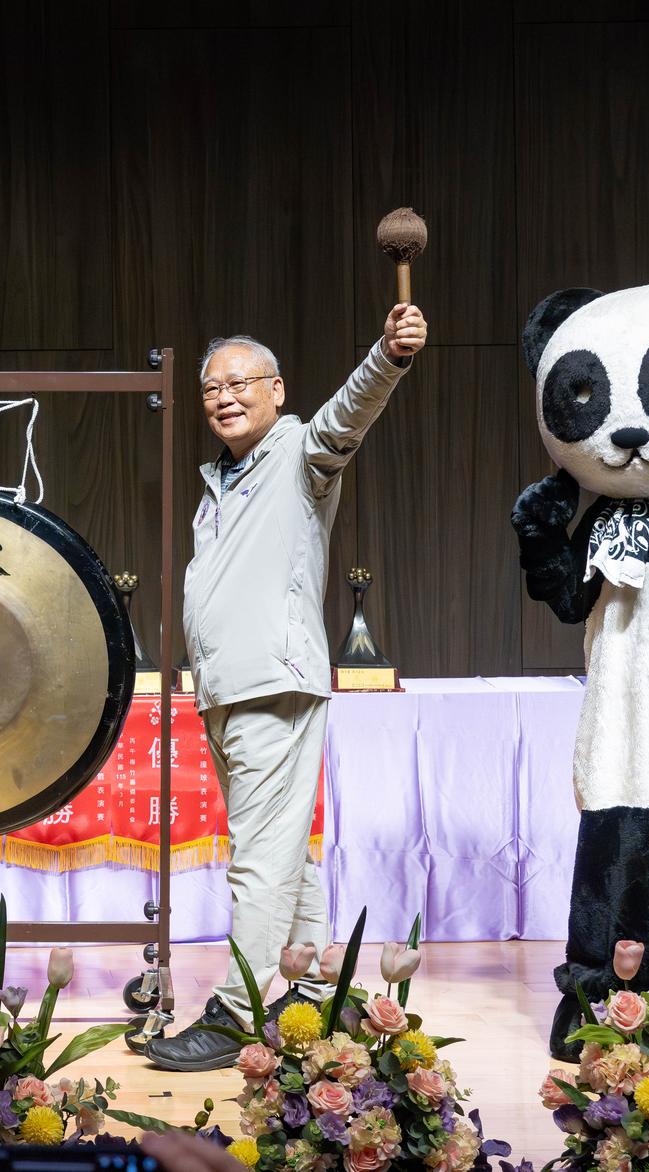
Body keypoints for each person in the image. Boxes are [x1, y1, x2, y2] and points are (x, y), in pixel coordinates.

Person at [145, 303, 427, 1071]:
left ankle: (238, 1012)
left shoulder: (301, 451)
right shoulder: (221, 479)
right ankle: (306, 991)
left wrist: (388, 356)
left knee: (259, 861)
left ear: (275, 390)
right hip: (229, 689)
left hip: (273, 682)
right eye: (210, 389)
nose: (223, 397)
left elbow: (349, 415)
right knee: (281, 853)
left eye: (239, 383)